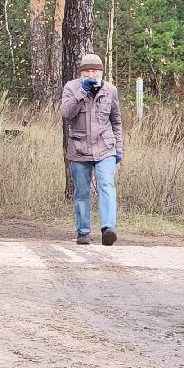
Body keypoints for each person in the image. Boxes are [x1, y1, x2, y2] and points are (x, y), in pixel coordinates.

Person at [60, 52, 123, 246]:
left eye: (95, 70)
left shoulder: (110, 90)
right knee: (81, 192)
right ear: (81, 72)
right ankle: (83, 232)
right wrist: (82, 93)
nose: (91, 74)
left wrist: (118, 148)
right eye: (87, 71)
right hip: (79, 148)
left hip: (105, 147)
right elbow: (65, 113)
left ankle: (108, 229)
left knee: (106, 186)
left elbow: (116, 121)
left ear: (101, 72)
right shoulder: (71, 87)